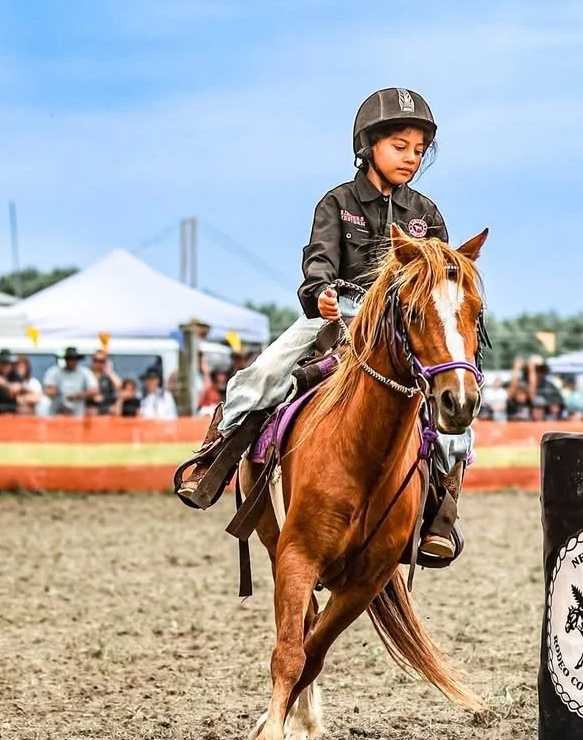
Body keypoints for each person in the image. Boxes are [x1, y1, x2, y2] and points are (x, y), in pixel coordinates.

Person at [174, 88, 473, 561]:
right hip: (338, 315)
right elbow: (318, 261)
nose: (411, 158)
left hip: (401, 330)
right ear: (368, 146)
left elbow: (440, 284)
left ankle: (442, 511)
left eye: (419, 150)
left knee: (457, 408)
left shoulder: (427, 214)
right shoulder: (337, 202)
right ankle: (213, 459)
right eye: (400, 146)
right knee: (262, 374)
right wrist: (321, 293)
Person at [43, 346, 98, 417]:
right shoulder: (55, 371)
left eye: (73, 359)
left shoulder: (84, 372)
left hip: (77, 414)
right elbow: (48, 390)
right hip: (56, 413)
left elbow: (94, 390)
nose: (71, 361)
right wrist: (58, 392)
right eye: (69, 359)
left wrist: (76, 396)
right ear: (65, 359)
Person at [0, 350, 24, 415]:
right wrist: (8, 386)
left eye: (7, 363)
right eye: (2, 362)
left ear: (11, 364)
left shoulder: (15, 375)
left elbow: (15, 390)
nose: (5, 366)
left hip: (11, 414)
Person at [90, 350, 122, 415]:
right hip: (90, 412)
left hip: (107, 411)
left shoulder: (109, 376)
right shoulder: (87, 374)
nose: (98, 363)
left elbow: (120, 387)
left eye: (101, 361)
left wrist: (109, 372)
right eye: (95, 360)